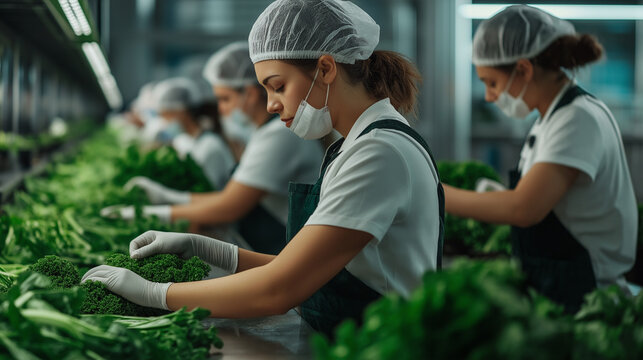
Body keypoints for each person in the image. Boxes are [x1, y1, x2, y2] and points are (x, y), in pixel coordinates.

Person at [83, 0, 443, 336]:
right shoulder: (357, 145)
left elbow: (281, 288)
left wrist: (155, 293)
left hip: (385, 342)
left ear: (326, 68)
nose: (271, 105)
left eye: (278, 87)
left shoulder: (377, 152)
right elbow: (305, 268)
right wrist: (214, 250)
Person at [444, 5, 637, 313]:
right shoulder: (552, 118)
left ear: (523, 70)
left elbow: (525, 209)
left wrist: (439, 195)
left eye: (491, 82)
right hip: (561, 286)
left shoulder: (577, 119)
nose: (489, 96)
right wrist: (500, 197)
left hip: (587, 296)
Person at [103, 43, 324, 256]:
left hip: (294, 249)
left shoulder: (279, 135)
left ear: (249, 94)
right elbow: (227, 198)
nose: (220, 109)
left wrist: (150, 214)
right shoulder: (265, 134)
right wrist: (167, 197)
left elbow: (229, 205)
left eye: (224, 99)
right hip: (280, 244)